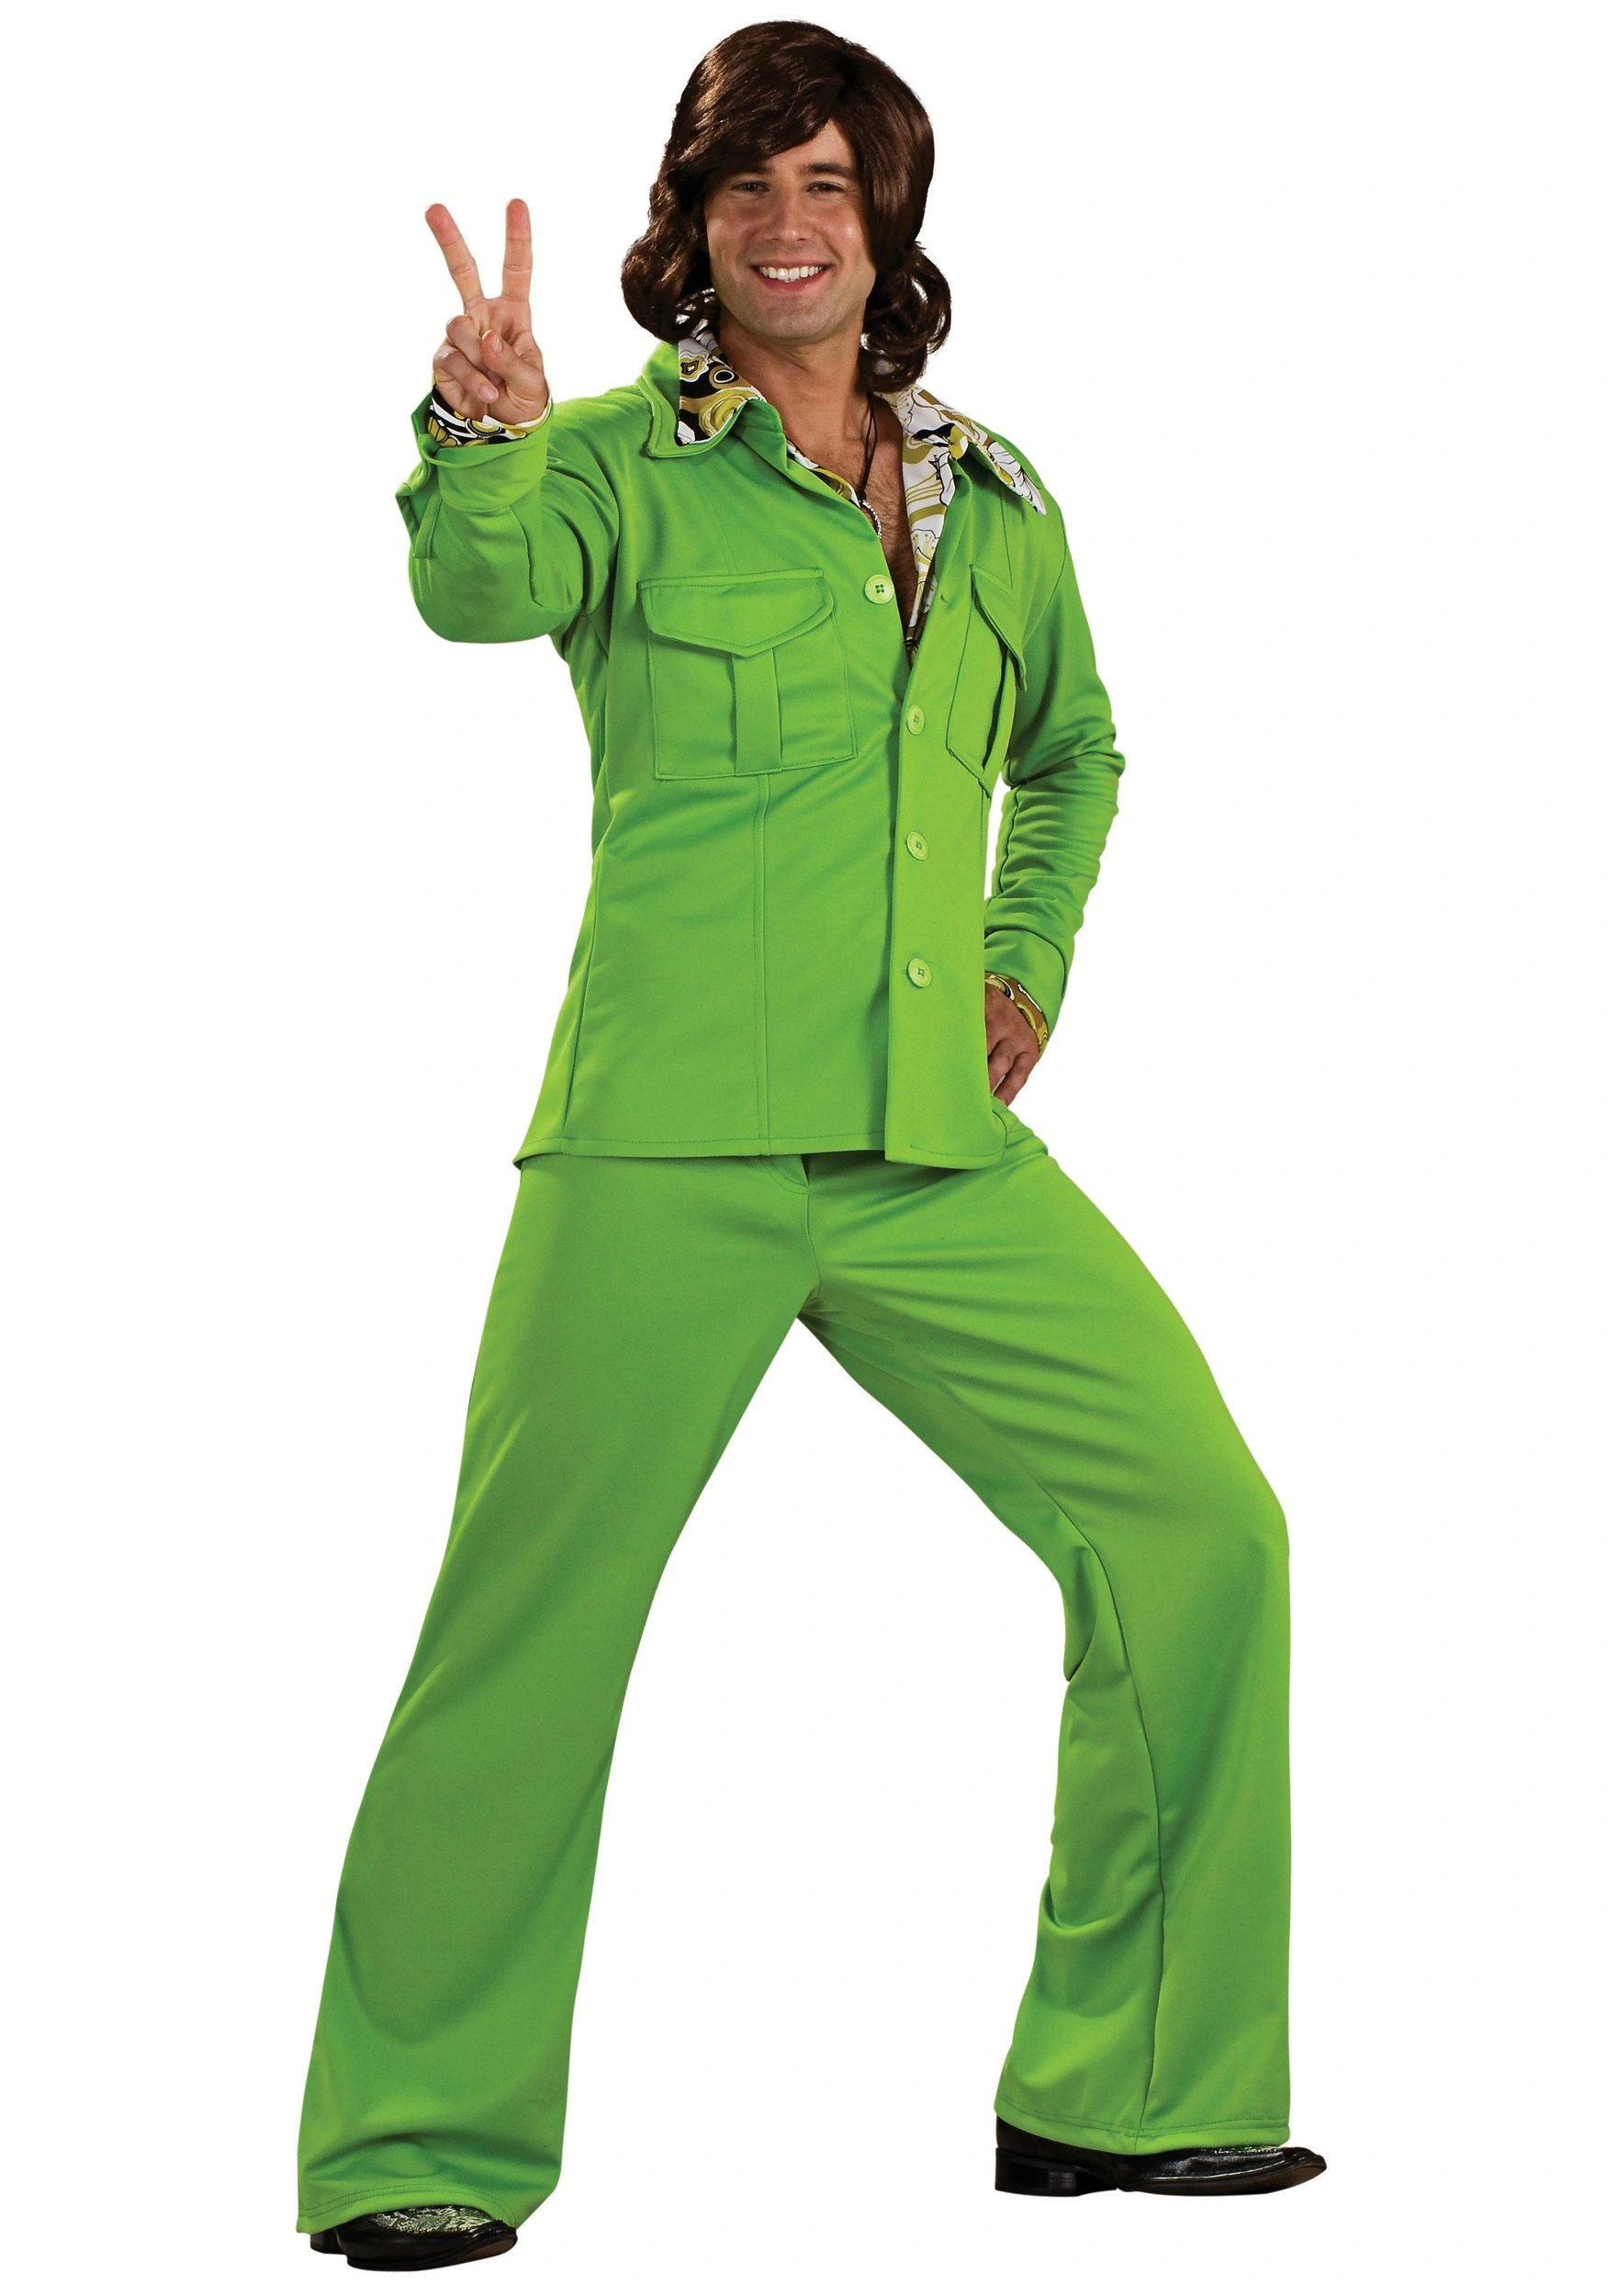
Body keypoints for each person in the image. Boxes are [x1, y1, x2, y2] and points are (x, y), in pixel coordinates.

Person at [296, 20, 1324, 2271]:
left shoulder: (997, 494)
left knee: (1198, 1529)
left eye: (828, 185)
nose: (787, 224)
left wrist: (1022, 963)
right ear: (692, 221)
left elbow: (1074, 749)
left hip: (927, 1144)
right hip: (662, 1140)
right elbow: (476, 593)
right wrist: (472, 433)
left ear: (886, 223)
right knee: (528, 1627)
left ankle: (1134, 2086)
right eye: (746, 183)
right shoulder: (606, 463)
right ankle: (412, 2135)